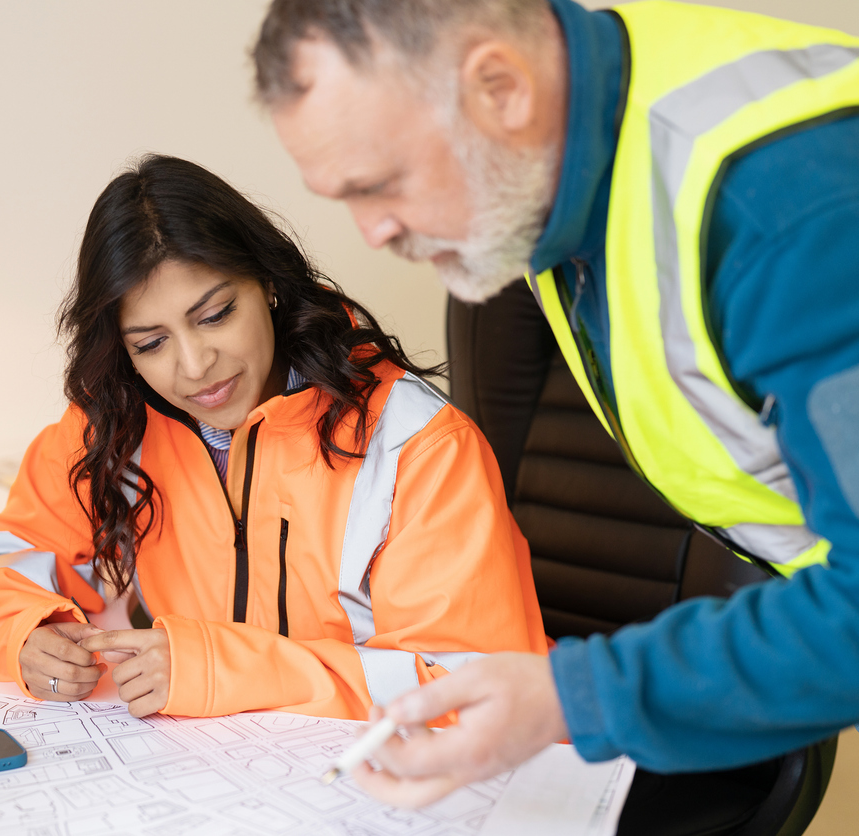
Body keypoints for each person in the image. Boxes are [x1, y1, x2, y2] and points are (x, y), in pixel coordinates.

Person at [254, 0, 859, 808]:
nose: (373, 232)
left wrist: (572, 697)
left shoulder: (785, 212)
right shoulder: (556, 162)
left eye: (383, 183)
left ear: (500, 88)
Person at [0, 154, 548, 721]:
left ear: (267, 283)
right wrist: (26, 633)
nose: (194, 365)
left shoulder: (418, 445)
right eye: (150, 343)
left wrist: (217, 669)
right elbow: (1, 559)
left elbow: (471, 686)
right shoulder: (117, 424)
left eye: (214, 315)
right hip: (228, 777)